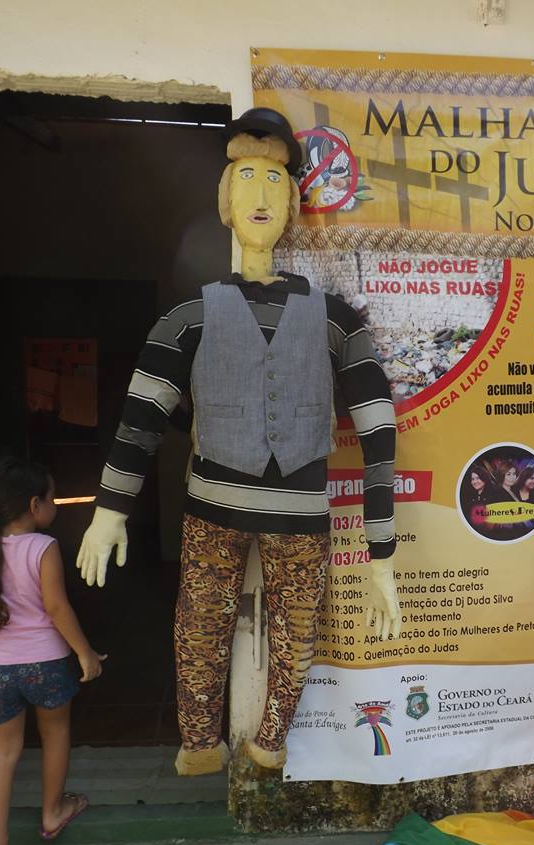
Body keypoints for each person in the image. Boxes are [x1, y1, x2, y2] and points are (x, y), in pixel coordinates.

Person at [76, 107, 400, 775]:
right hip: (211, 510)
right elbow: (140, 418)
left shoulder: (338, 321)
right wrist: (110, 509)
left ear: (293, 204)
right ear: (225, 201)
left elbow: (378, 430)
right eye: (246, 177)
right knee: (199, 627)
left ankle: (271, 739)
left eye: (275, 180)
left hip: (301, 515)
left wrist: (382, 556)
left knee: (297, 634)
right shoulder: (186, 318)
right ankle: (199, 742)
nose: (260, 194)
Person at [0, 457, 106, 845]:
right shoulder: (43, 547)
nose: (55, 505)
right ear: (34, 505)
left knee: (1, 753)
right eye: (52, 498)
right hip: (45, 663)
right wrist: (85, 652)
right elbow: (56, 608)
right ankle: (52, 812)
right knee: (55, 734)